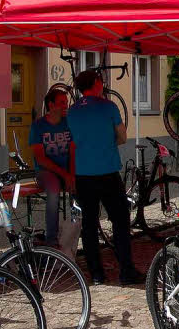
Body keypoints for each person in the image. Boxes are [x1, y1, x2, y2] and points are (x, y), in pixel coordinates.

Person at [67, 70, 141, 286]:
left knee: (89, 225)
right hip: (107, 171)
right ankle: (126, 270)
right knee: (120, 221)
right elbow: (122, 136)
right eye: (101, 80)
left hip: (83, 174)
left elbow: (72, 144)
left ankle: (97, 274)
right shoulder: (109, 107)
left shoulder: (72, 111)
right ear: (96, 83)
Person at [29, 88, 75, 246]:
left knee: (83, 187)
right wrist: (65, 174)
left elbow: (73, 150)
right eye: (62, 103)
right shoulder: (38, 126)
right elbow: (40, 159)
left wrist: (72, 175)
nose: (66, 106)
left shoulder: (68, 123)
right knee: (54, 191)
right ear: (51, 105)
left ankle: (78, 233)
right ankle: (52, 240)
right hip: (46, 172)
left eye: (66, 102)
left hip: (66, 171)